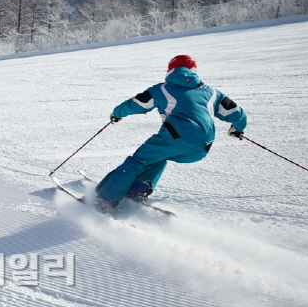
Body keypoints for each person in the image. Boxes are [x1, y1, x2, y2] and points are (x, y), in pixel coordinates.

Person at [93, 54, 247, 212]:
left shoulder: (162, 89)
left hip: (175, 136)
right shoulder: (212, 93)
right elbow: (236, 112)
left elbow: (137, 103)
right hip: (202, 147)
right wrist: (238, 129)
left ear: (170, 70)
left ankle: (105, 199)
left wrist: (117, 113)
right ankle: (138, 188)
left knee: (137, 162)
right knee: (160, 156)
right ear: (193, 70)